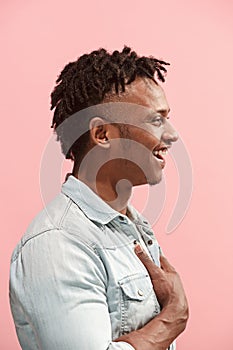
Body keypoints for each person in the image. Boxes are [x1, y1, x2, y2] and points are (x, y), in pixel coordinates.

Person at [9, 46, 189, 350]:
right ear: (102, 134)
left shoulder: (132, 227)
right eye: (156, 120)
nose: (172, 135)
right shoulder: (58, 243)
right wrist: (172, 318)